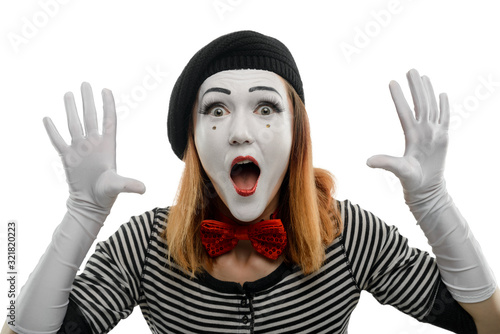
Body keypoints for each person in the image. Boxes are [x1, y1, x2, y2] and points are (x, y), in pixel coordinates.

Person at [3, 30, 500, 334]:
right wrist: (81, 216)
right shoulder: (145, 246)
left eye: (266, 108)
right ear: (193, 140)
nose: (240, 130)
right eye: (216, 109)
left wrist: (433, 203)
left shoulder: (348, 235)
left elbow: (488, 322)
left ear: (296, 133)